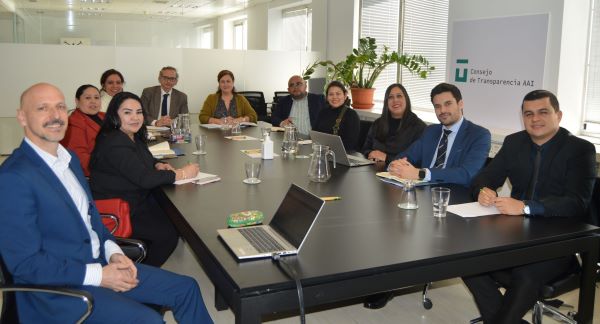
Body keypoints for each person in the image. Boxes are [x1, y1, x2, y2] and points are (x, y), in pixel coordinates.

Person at [0, 83, 213, 323]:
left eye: (60, 107)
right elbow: (25, 265)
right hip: (61, 290)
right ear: (22, 117)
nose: (55, 116)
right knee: (150, 320)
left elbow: (92, 220)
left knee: (187, 288)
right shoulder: (13, 178)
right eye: (42, 108)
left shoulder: (67, 161)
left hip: (100, 262)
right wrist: (99, 275)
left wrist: (114, 252)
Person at [463, 90, 596, 324]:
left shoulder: (580, 149)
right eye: (529, 114)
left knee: (526, 275)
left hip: (559, 241)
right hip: (514, 234)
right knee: (465, 259)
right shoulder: (514, 142)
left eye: (543, 112)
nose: (535, 119)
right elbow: (484, 178)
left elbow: (577, 202)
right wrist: (484, 191)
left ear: (559, 115)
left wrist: (525, 207)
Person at [90, 91, 199, 267]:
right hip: (119, 207)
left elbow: (145, 160)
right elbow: (145, 179)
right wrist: (182, 173)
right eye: (127, 112)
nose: (135, 117)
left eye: (139, 112)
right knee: (167, 234)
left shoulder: (131, 135)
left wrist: (158, 164)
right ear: (114, 115)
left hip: (134, 197)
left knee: (174, 217)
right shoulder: (114, 142)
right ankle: (137, 275)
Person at [388, 82, 491, 186]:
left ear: (460, 104)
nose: (442, 110)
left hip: (455, 195)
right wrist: (395, 165)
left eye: (448, 104)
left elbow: (466, 174)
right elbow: (406, 156)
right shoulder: (431, 131)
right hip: (423, 191)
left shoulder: (479, 135)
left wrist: (421, 174)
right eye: (437, 106)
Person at [361, 83, 427, 164]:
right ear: (386, 102)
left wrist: (387, 158)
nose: (395, 100)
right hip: (372, 170)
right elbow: (365, 148)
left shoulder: (419, 127)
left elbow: (417, 161)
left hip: (400, 174)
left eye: (399, 96)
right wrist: (370, 153)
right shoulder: (377, 123)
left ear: (406, 99)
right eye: (391, 97)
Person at [60, 84, 104, 177]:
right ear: (77, 101)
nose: (93, 101)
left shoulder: (104, 116)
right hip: (95, 174)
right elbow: (79, 158)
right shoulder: (74, 122)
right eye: (88, 98)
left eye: (97, 97)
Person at [314, 80, 361, 151]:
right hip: (322, 151)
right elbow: (314, 134)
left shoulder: (351, 115)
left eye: (338, 94)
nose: (334, 97)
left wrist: (329, 148)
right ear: (327, 97)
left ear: (345, 96)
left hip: (344, 154)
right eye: (331, 94)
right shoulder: (322, 112)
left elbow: (351, 143)